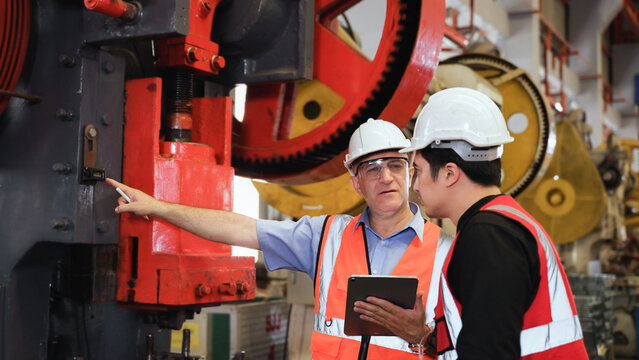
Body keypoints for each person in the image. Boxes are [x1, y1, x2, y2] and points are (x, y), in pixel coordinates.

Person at [107, 118, 451, 359]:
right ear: (356, 182)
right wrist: (158, 207)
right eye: (372, 168)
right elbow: (238, 228)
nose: (385, 177)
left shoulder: (447, 253)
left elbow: (480, 347)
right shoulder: (325, 237)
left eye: (394, 164)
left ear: (409, 171)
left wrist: (422, 337)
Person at [396, 87, 588, 359]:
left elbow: (489, 350)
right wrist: (426, 337)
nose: (414, 186)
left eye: (418, 171)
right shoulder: (500, 224)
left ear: (450, 173)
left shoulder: (488, 237)